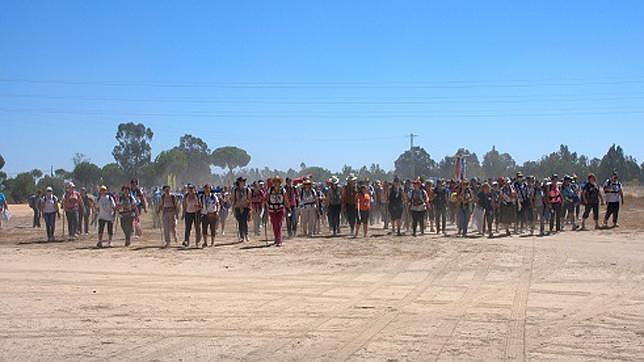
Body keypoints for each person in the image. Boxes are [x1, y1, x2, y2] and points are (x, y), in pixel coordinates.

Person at [266, 176, 290, 247]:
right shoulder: (270, 190)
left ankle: (279, 240)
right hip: (271, 209)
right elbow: (267, 199)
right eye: (275, 182)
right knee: (274, 224)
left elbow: (286, 200)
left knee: (279, 224)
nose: (276, 183)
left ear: (280, 183)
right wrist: (266, 206)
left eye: (277, 182)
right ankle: (276, 238)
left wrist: (288, 208)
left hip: (280, 209)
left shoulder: (283, 190)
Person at [232, 177, 251, 242]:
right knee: (240, 222)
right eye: (242, 181)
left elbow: (249, 200)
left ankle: (246, 234)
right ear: (239, 182)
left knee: (244, 221)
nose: (243, 182)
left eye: (244, 181)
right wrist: (233, 209)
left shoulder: (247, 190)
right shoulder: (235, 190)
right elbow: (233, 200)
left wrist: (250, 209)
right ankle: (241, 236)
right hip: (237, 207)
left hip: (245, 207)